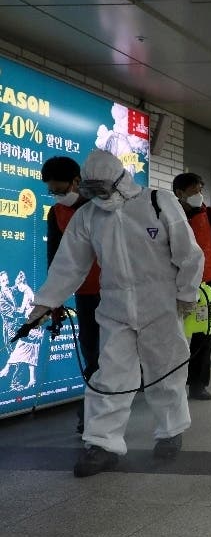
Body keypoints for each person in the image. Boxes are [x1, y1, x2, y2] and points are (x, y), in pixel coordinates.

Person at [24, 150, 203, 476]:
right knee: (109, 375)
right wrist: (44, 305)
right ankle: (102, 444)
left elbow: (189, 253)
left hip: (161, 304)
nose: (99, 196)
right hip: (115, 307)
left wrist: (186, 294)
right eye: (92, 190)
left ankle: (170, 431)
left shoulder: (158, 202)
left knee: (165, 370)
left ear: (121, 181)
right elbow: (68, 264)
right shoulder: (88, 216)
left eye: (103, 189)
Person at [42, 156, 101, 431]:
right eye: (52, 191)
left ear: (77, 181)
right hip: (85, 294)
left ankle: (97, 412)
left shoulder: (101, 207)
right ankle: (92, 412)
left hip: (115, 291)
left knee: (111, 355)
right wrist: (54, 301)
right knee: (91, 353)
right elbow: (55, 259)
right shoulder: (56, 213)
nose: (57, 196)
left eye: (60, 190)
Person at [173, 173, 211, 401]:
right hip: (175, 287)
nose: (199, 194)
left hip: (206, 287)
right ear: (179, 193)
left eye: (200, 189)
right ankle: (172, 385)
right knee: (173, 336)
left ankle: (198, 385)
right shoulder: (169, 216)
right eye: (194, 190)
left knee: (203, 337)